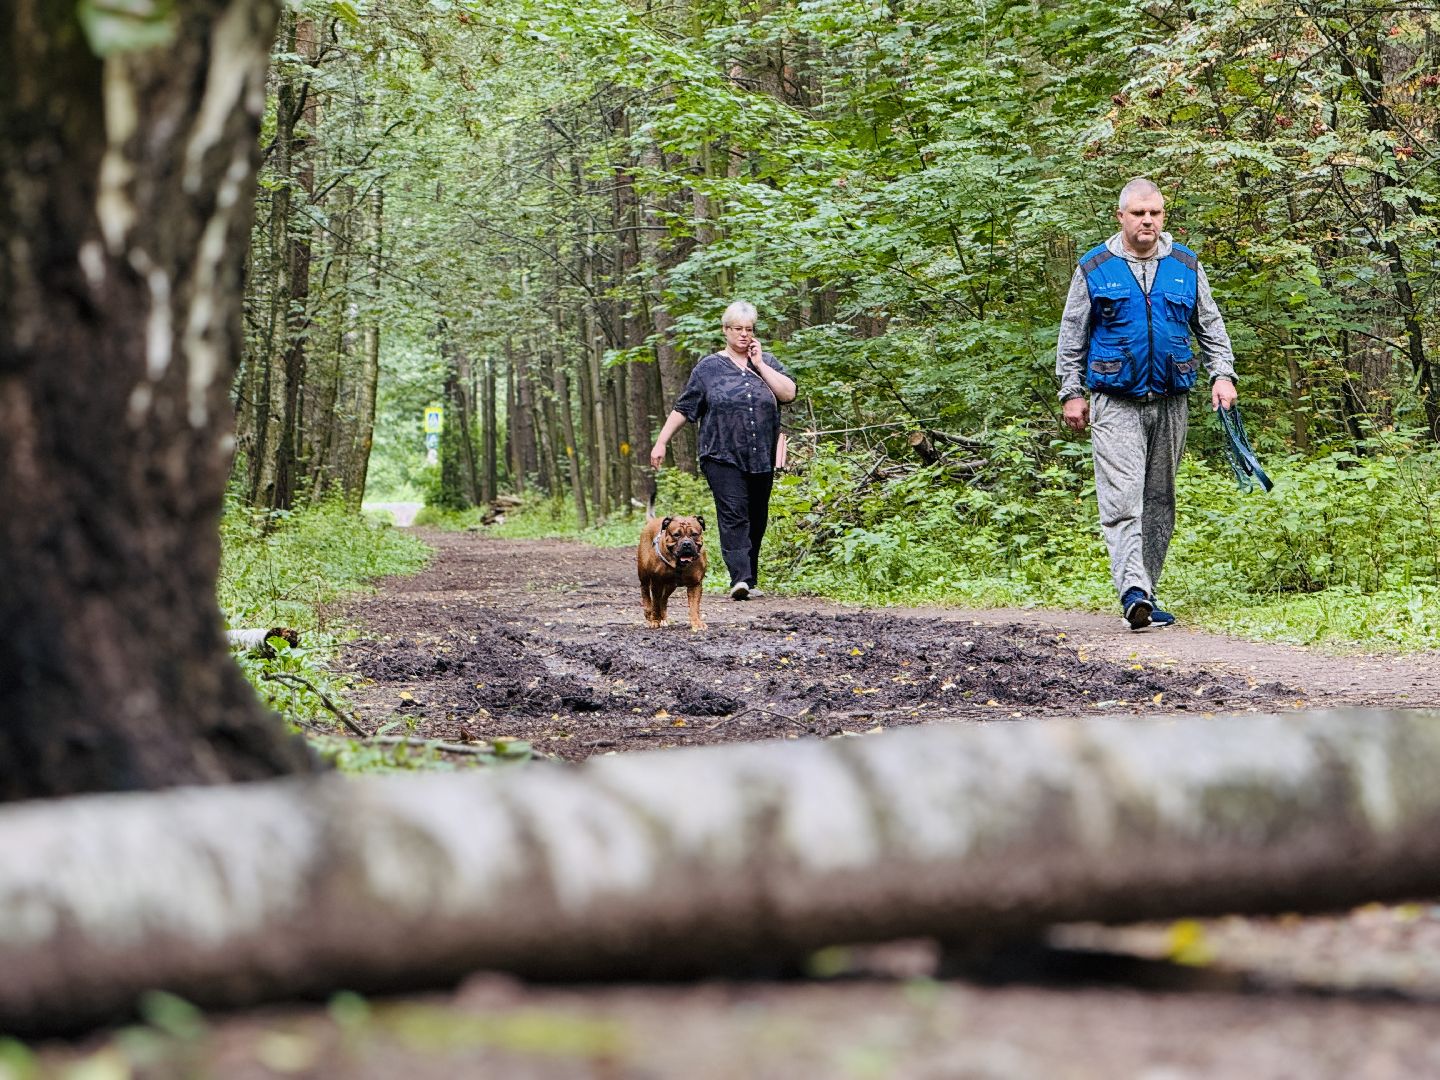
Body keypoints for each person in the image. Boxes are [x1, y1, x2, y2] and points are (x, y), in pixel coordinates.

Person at [1056, 177, 1239, 630]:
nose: (1147, 221)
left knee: (1160, 499)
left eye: (1155, 213)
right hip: (1114, 401)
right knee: (1122, 500)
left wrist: (1222, 375)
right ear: (1121, 217)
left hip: (1171, 399)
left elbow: (1210, 326)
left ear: (1163, 216)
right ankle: (1132, 591)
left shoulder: (1185, 265)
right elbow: (1072, 335)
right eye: (1138, 213)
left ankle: (1146, 593)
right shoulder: (1095, 267)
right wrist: (1071, 391)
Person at [650, 301, 797, 601]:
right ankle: (740, 579)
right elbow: (684, 408)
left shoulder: (766, 363)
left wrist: (761, 365)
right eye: (738, 329)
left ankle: (749, 578)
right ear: (726, 331)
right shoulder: (708, 368)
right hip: (721, 455)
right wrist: (661, 441)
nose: (744, 335)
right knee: (734, 514)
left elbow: (788, 393)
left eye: (749, 329)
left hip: (760, 455)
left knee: (757, 517)